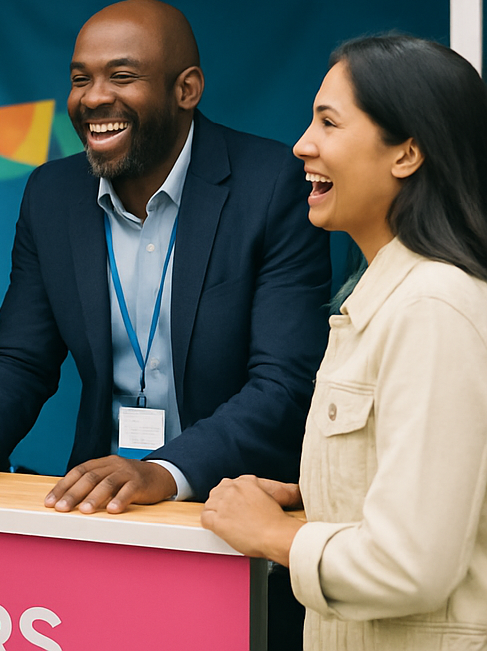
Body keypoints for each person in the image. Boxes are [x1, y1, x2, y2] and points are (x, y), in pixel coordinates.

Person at [0, 0, 330, 509]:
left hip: (241, 504)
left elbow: (283, 381)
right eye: (81, 79)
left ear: (186, 89)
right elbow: (21, 357)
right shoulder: (52, 194)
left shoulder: (272, 185)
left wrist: (166, 471)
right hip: (102, 504)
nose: (94, 97)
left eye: (122, 76)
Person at [201, 35, 487, 649]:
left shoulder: (432, 305)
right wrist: (319, 496)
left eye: (329, 123)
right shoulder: (387, 297)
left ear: (407, 153)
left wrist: (272, 535)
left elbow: (409, 565)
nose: (302, 145)